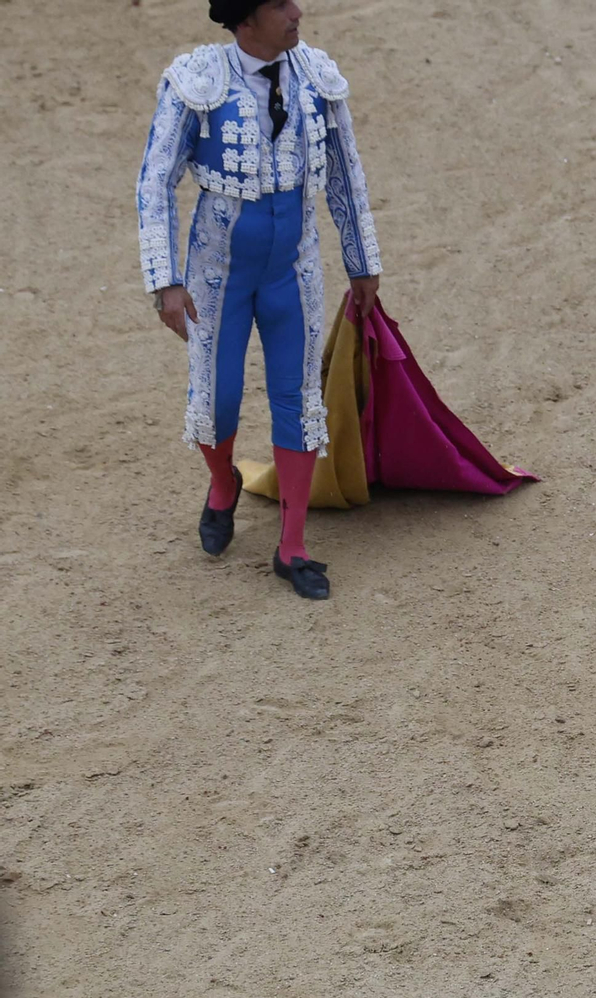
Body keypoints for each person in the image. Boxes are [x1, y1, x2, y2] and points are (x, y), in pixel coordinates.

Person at [136, 0, 382, 599]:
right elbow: (156, 179)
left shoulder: (316, 77)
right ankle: (223, 487)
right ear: (245, 19)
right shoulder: (196, 81)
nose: (298, 12)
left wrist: (362, 263)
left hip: (290, 271)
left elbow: (347, 175)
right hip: (217, 273)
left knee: (297, 399)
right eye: (279, 4)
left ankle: (292, 544)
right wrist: (165, 280)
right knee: (215, 397)